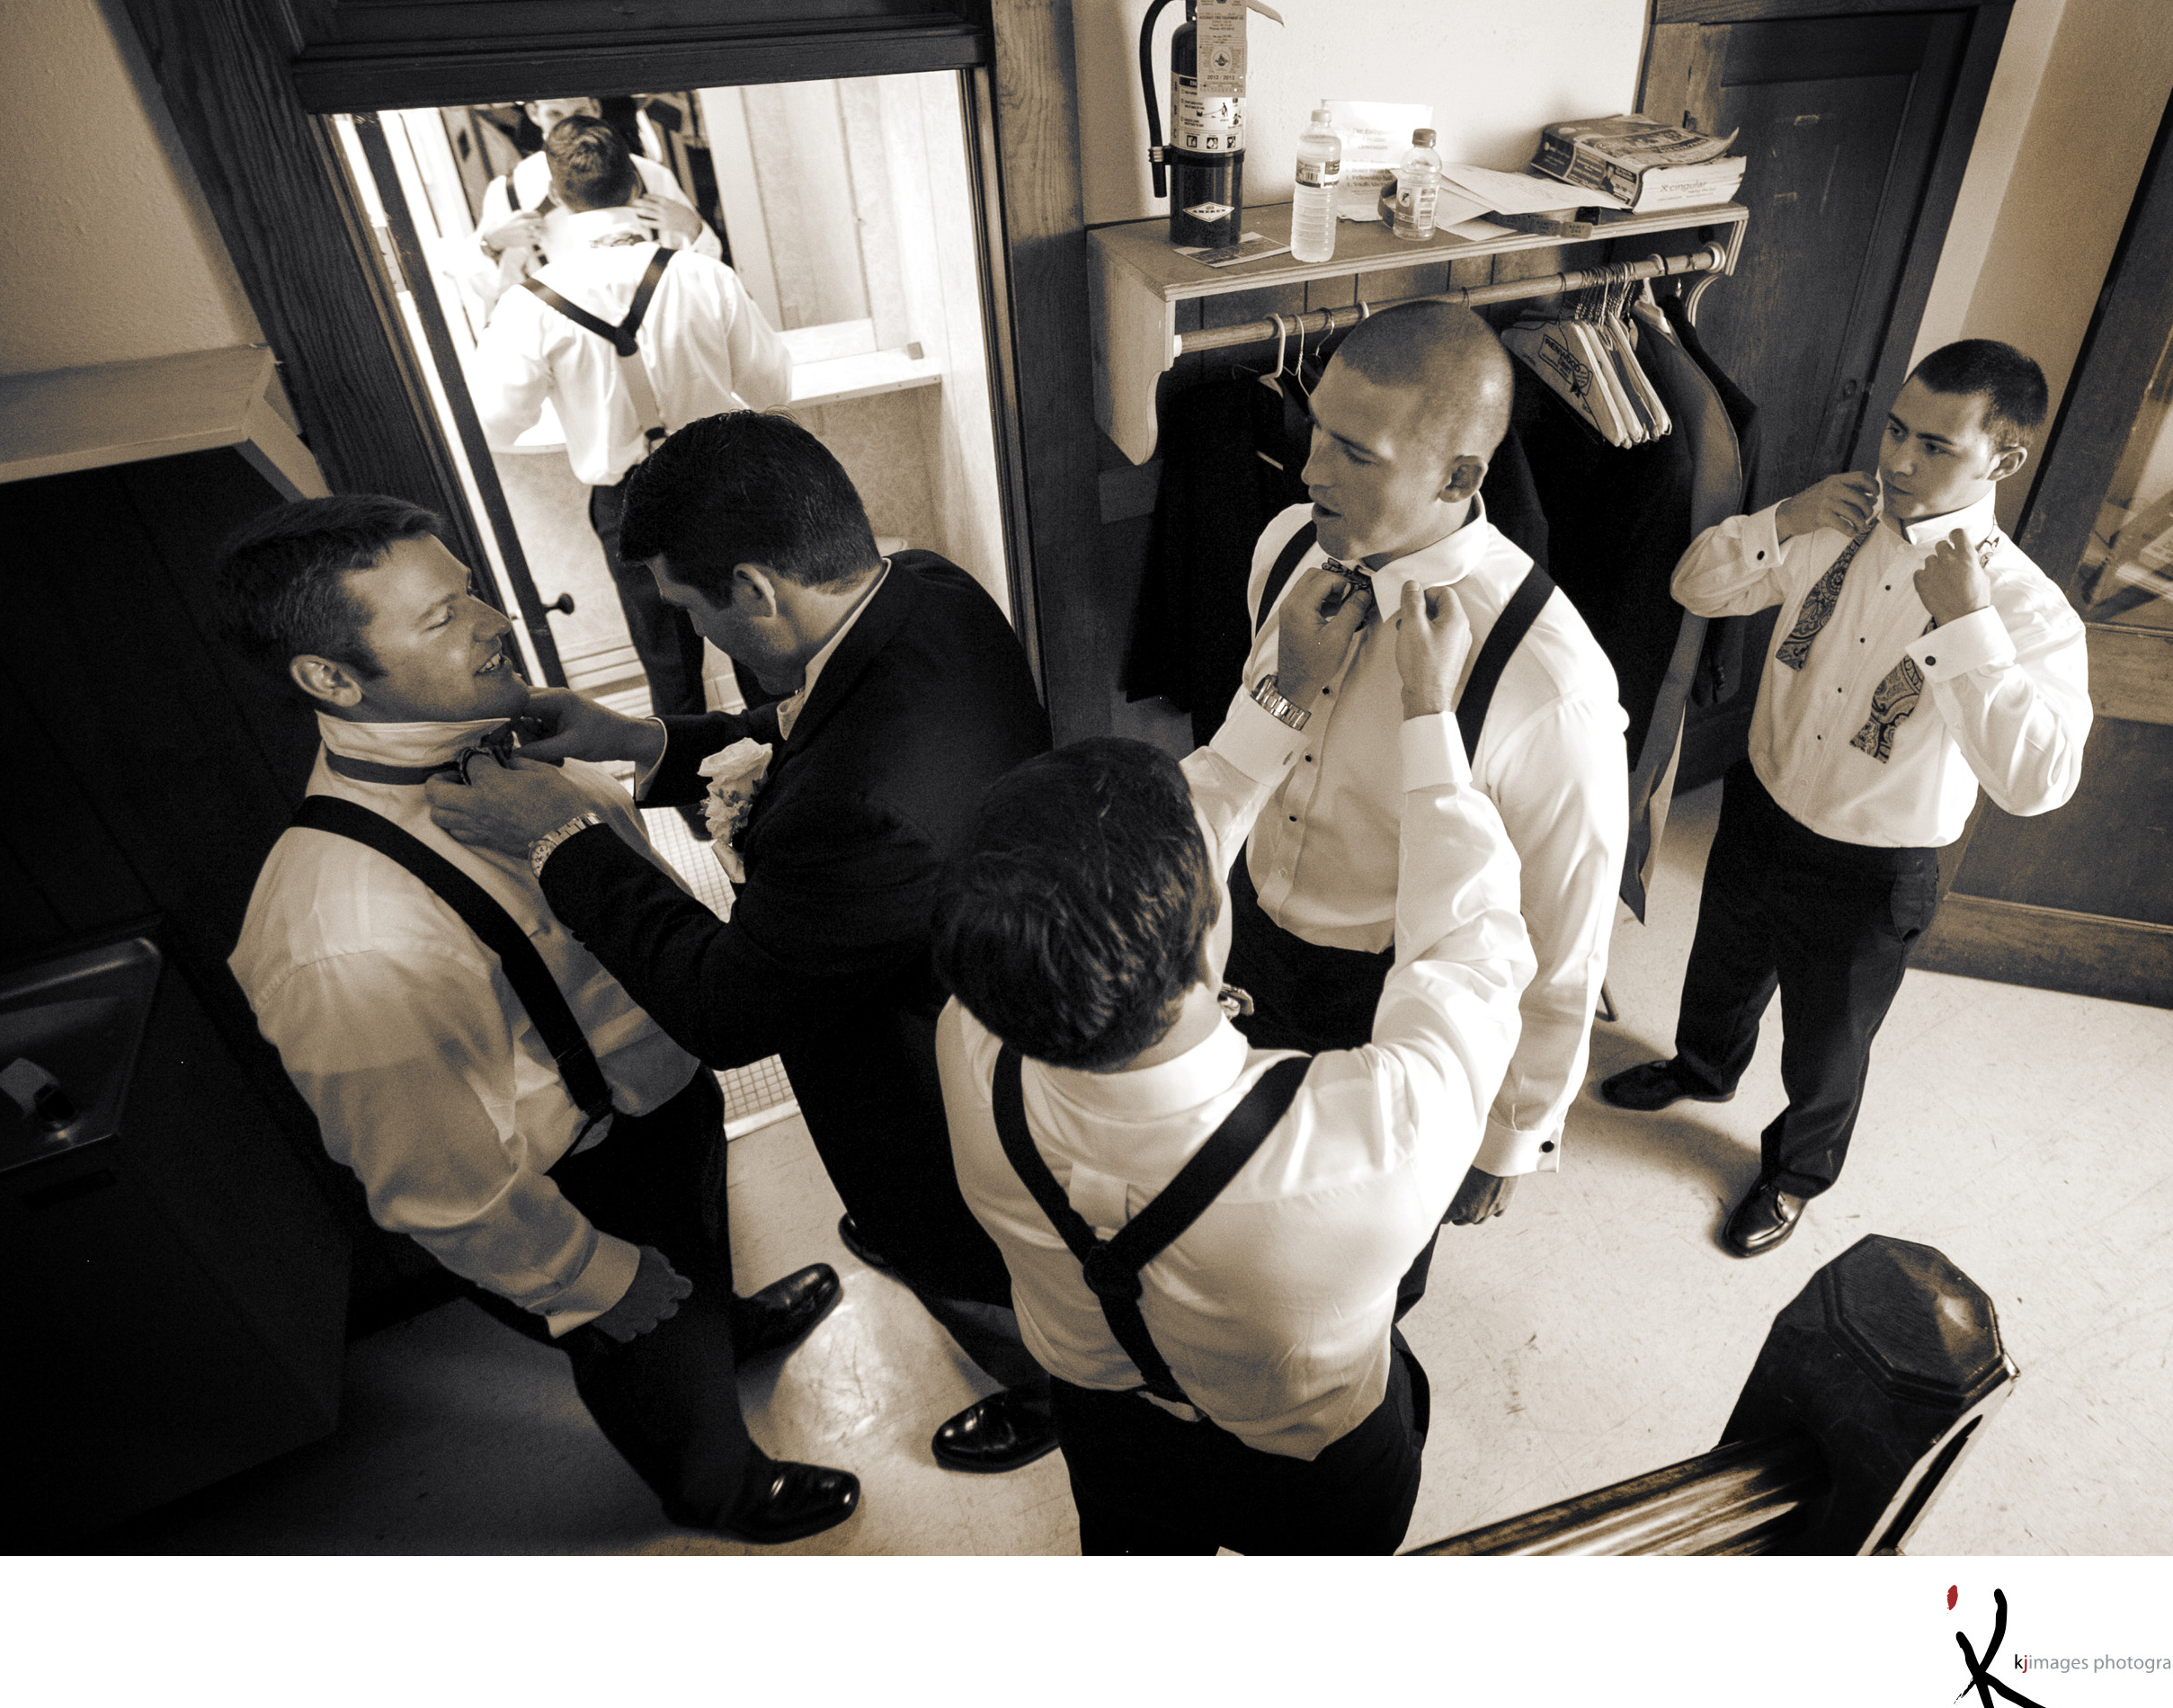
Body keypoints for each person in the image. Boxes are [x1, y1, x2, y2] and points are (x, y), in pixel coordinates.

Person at [425, 412, 1064, 1475]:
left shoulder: (861, 809)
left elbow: (727, 1009)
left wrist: (561, 840)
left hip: (920, 1072)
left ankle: (1041, 1388)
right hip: (983, 959)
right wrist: (639, 740)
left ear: (757, 591)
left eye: (690, 609)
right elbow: (802, 726)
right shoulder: (925, 589)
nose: (700, 638)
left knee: (956, 1250)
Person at [219, 494, 857, 1543]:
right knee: (645, 1343)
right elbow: (438, 1183)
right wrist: (588, 1276)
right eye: (440, 618)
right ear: (330, 678)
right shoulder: (343, 930)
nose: (493, 622)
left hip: (663, 1092)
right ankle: (717, 1486)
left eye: (467, 589)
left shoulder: (508, 738)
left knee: (695, 1280)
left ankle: (721, 1324)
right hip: (582, 1181)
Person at [931, 570, 1535, 1554]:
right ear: (1216, 924)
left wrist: (1282, 691)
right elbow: (1467, 952)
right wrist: (1430, 712)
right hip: (1311, 1480)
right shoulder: (1367, 1146)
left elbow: (1178, 844)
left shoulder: (971, 1037)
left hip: (1104, 1430)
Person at [1601, 340, 2091, 1257]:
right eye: (1896, 429)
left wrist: (1968, 627)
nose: (1897, 460)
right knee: (1718, 970)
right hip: (1761, 805)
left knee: (1828, 1046)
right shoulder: (1834, 520)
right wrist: (1781, 517)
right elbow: (1693, 584)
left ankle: (1794, 1174)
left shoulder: (2025, 613)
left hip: (1871, 864)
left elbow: (2037, 782)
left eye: (1935, 445)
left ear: (2003, 458)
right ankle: (1702, 1068)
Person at [1228, 299, 1629, 1268]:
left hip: (1390, 1002)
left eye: (1354, 453)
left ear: (1459, 476)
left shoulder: (1547, 680)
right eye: (1316, 430)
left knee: (1360, 1263)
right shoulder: (1285, 544)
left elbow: (1564, 927)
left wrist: (1509, 1133)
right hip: (1245, 946)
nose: (1311, 468)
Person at [467, 117, 792, 724]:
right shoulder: (703, 273)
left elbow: (495, 424)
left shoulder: (528, 305)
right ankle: (793, 780)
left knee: (669, 664)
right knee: (762, 644)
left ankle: (701, 810)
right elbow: (772, 388)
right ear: (637, 186)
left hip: (629, 505)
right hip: (723, 483)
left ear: (557, 194)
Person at [456, 96, 719, 312]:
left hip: (654, 318)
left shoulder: (650, 176)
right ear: (535, 113)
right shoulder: (509, 192)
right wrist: (491, 244)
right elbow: (489, 292)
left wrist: (692, 226)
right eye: (555, 114)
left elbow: (706, 272)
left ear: (595, 108)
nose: (569, 125)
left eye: (580, 111)